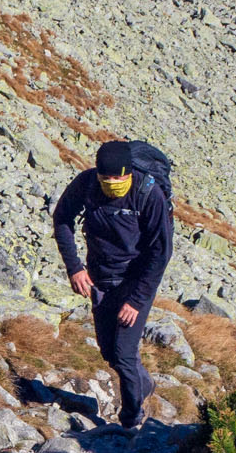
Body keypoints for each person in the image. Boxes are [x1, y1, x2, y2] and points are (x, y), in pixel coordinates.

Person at [53, 140, 175, 431]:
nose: (112, 183)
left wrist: (136, 299)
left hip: (135, 282)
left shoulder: (149, 194)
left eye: (119, 177)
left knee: (124, 353)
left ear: (129, 172)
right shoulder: (86, 184)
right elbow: (62, 219)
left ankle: (131, 422)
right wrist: (75, 268)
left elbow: (161, 252)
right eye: (106, 177)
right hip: (99, 279)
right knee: (109, 352)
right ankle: (144, 385)